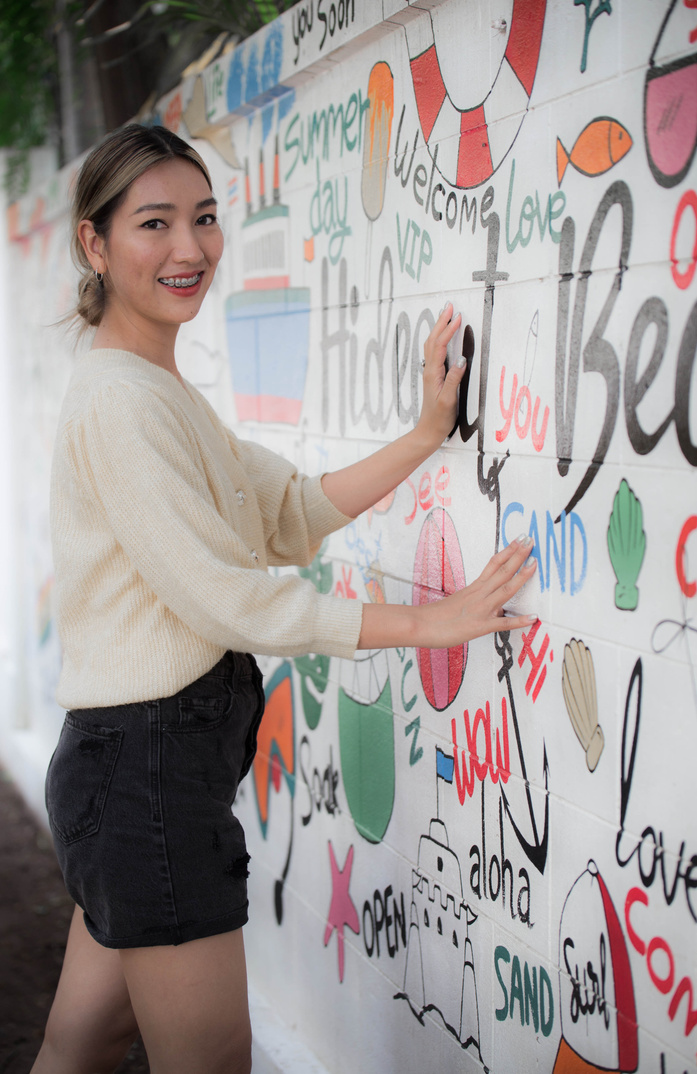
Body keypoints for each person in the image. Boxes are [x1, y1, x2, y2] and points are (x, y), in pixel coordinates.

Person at [32, 124, 537, 1074]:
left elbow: (288, 513)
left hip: (134, 771)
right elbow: (227, 599)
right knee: (212, 1058)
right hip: (145, 775)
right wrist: (425, 622)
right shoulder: (122, 404)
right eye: (155, 224)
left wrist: (428, 432)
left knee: (80, 1042)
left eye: (205, 218)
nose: (191, 248)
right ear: (95, 245)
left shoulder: (156, 388)